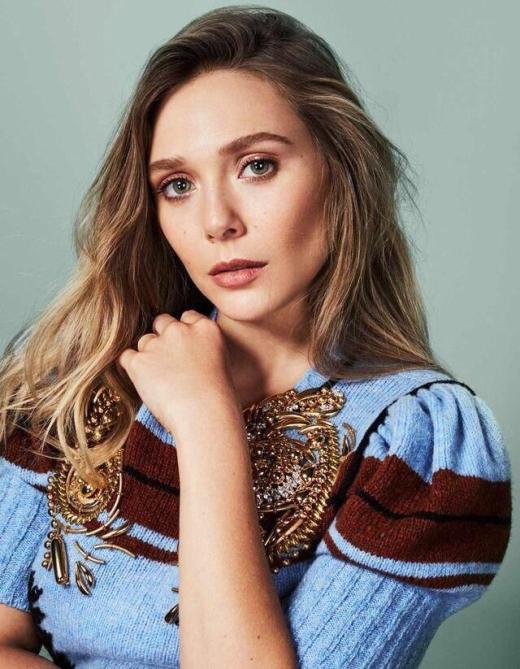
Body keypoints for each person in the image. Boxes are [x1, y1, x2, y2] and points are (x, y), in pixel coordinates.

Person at [0, 5, 512, 668]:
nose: (217, 221)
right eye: (177, 185)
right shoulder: (72, 378)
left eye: (257, 166)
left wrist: (207, 423)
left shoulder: (420, 446)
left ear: (340, 170)